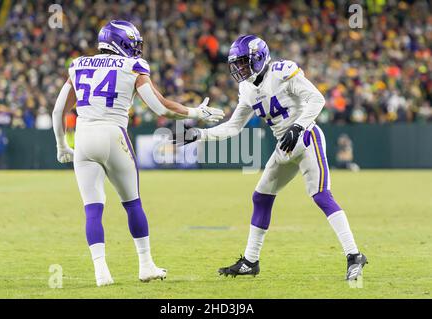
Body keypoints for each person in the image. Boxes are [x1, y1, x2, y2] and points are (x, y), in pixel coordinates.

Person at [179, 35, 367, 281]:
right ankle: (250, 261)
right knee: (261, 197)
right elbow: (233, 127)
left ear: (259, 58)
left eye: (243, 63)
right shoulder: (246, 88)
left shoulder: (282, 71)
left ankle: (354, 256)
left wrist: (298, 126)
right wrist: (198, 134)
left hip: (307, 138)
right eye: (236, 64)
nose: (239, 69)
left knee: (321, 195)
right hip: (284, 146)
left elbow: (317, 99)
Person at [52, 20, 224, 286]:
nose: (135, 49)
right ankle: (145, 265)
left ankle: (101, 272)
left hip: (84, 137)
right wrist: (196, 113)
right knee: (132, 203)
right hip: (113, 134)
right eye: (132, 43)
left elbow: (58, 110)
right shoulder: (132, 66)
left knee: (93, 210)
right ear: (119, 43)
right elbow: (162, 108)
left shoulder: (78, 65)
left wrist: (62, 145)